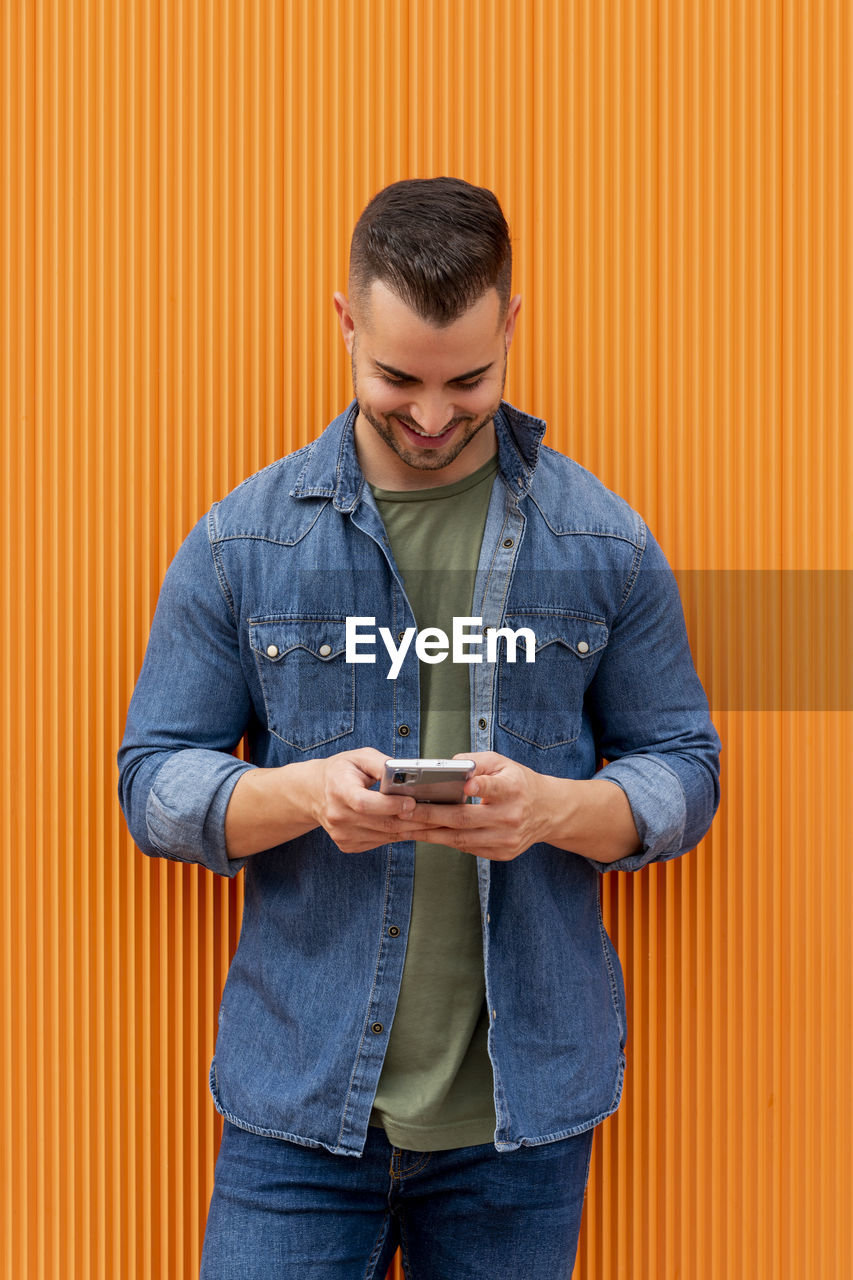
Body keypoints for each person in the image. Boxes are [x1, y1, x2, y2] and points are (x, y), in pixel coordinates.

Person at [118, 176, 720, 1279]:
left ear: (511, 323)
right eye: (397, 377)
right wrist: (304, 793)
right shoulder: (240, 545)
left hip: (520, 1124)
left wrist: (556, 808)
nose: (434, 415)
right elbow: (152, 782)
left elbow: (685, 771)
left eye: (469, 380)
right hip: (295, 1114)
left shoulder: (605, 544)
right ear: (345, 321)